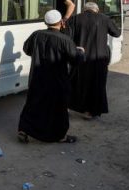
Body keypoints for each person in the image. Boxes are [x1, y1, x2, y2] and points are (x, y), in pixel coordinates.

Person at [18, 9, 85, 144]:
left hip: (37, 77)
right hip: (57, 80)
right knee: (58, 108)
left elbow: (27, 49)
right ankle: (60, 136)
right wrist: (81, 52)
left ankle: (24, 130)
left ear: (46, 22)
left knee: (33, 104)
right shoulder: (65, 39)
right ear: (61, 23)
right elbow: (75, 60)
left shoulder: (36, 35)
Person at [67, 2, 121, 119]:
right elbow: (117, 33)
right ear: (97, 10)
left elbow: (68, 37)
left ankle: (71, 106)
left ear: (84, 9)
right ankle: (90, 111)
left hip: (80, 57)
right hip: (98, 58)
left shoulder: (75, 19)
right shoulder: (104, 19)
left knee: (77, 82)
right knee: (96, 84)